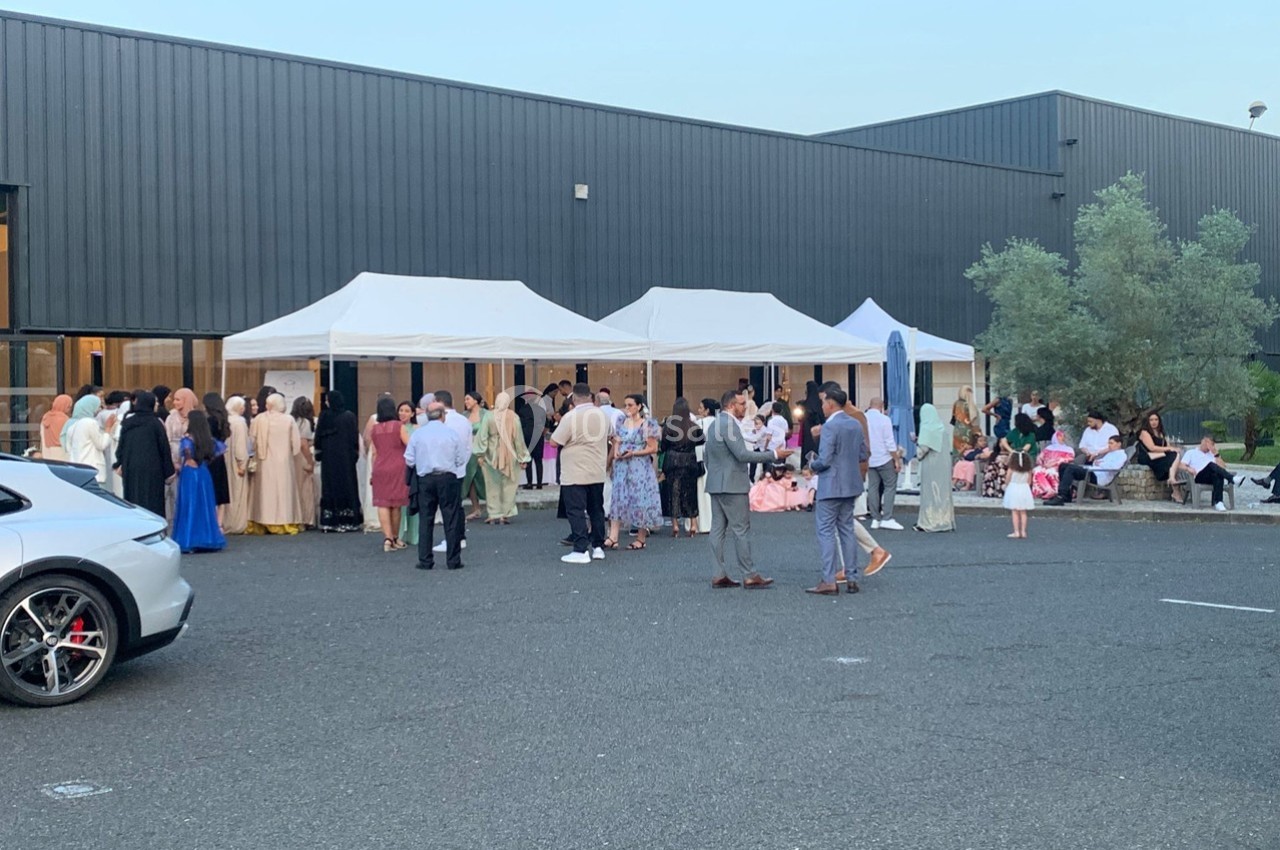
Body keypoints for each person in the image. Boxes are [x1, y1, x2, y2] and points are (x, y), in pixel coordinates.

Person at [705, 388, 789, 589]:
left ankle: (718, 573)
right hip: (733, 484)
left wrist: (716, 475)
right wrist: (774, 455)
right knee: (741, 529)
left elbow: (708, 455)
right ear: (731, 405)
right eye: (742, 404)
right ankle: (749, 574)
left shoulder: (714, 424)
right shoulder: (729, 425)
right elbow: (742, 454)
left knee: (717, 530)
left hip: (716, 482)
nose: (746, 407)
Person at [806, 387, 867, 596]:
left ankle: (829, 579)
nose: (822, 406)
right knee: (847, 530)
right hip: (851, 483)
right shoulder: (855, 424)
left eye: (824, 403)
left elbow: (825, 459)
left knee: (825, 531)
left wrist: (812, 464)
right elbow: (862, 454)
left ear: (831, 404)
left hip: (831, 485)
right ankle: (852, 576)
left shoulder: (830, 427)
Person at [550, 383, 610, 564]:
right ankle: (598, 547)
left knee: (575, 510)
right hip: (597, 469)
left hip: (575, 471)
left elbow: (554, 442)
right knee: (596, 509)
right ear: (591, 397)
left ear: (574, 398)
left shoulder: (570, 417)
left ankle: (580, 548)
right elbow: (611, 435)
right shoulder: (603, 415)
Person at [405, 402, 469, 570]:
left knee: (426, 519)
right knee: (451, 517)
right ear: (443, 415)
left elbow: (409, 459)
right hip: (447, 477)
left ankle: (425, 560)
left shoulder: (418, 434)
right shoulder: (451, 434)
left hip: (425, 478)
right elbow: (461, 458)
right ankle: (453, 560)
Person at [606, 393, 663, 551]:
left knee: (640, 500)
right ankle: (613, 537)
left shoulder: (647, 424)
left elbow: (653, 448)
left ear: (639, 406)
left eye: (630, 405)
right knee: (618, 498)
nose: (627, 408)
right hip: (622, 466)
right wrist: (616, 452)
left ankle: (641, 537)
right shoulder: (621, 421)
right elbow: (616, 440)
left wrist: (634, 453)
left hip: (639, 466)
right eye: (626, 405)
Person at [247, 393, 303, 534]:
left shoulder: (259, 419)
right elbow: (296, 444)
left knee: (265, 492)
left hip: (264, 461)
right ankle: (284, 520)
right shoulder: (288, 420)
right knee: (283, 491)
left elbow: (252, 441)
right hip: (284, 461)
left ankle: (264, 520)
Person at [172, 410, 227, 553]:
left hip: (190, 473)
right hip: (204, 473)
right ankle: (207, 537)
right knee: (205, 505)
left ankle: (189, 539)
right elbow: (218, 451)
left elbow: (188, 456)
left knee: (189, 505)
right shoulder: (208, 439)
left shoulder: (187, 439)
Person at [114, 390, 174, 517]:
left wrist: (119, 463)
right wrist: (169, 471)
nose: (157, 405)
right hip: (153, 470)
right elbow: (164, 448)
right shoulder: (155, 423)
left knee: (134, 499)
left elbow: (121, 447)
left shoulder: (128, 423)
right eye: (155, 402)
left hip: (132, 469)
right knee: (153, 501)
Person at [476, 391, 531, 524]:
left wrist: (480, 454)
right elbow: (518, 439)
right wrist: (523, 457)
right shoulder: (514, 417)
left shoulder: (489, 416)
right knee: (509, 485)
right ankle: (505, 513)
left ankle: (494, 513)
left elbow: (482, 436)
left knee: (491, 485)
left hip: (491, 455)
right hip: (510, 454)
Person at [364, 395, 411, 551]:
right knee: (396, 505)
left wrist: (372, 472)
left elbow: (375, 452)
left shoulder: (375, 429)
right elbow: (410, 445)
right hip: (398, 467)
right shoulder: (399, 426)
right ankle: (396, 538)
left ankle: (387, 538)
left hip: (380, 467)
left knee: (382, 503)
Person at [430, 390, 473, 554]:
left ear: (439, 402)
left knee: (446, 507)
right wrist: (462, 464)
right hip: (459, 469)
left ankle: (451, 539)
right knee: (457, 505)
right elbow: (468, 447)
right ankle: (460, 537)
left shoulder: (440, 422)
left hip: (442, 469)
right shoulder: (464, 420)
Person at [313, 390, 362, 532]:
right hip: (346, 459)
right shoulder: (349, 416)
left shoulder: (325, 416)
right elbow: (354, 438)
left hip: (329, 459)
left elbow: (319, 438)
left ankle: (331, 520)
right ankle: (349, 520)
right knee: (347, 486)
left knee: (330, 487)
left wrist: (319, 454)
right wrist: (355, 455)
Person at [660, 398, 705, 536]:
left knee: (673, 493)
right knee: (690, 492)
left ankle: (675, 525)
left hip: (673, 461)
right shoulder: (693, 426)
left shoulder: (669, 426)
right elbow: (701, 440)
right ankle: (692, 524)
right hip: (690, 461)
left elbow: (663, 445)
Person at [1045, 434, 1127, 505]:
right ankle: (1067, 495)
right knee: (1063, 466)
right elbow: (1097, 463)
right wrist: (1098, 463)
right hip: (1093, 471)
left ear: (1119, 444)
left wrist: (1100, 463)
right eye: (1108, 443)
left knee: (1070, 468)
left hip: (1098, 476)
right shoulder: (1110, 454)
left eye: (1111, 443)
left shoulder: (1121, 455)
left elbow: (1114, 467)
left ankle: (1061, 496)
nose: (1109, 445)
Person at [914, 403, 956, 532]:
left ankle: (930, 522)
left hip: (931, 465)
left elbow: (923, 451)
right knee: (943, 492)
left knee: (930, 493)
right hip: (943, 464)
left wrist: (916, 444)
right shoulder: (941, 429)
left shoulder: (926, 428)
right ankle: (945, 521)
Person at [1177, 436, 1246, 511]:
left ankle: (1219, 502)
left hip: (1211, 477)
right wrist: (1188, 468)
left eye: (1211, 444)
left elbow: (1222, 468)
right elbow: (1180, 465)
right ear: (1203, 442)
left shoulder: (1212, 454)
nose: (1208, 446)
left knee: (1218, 474)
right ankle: (1233, 479)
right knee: (1210, 465)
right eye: (1207, 443)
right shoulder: (1191, 452)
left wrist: (1216, 454)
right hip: (1199, 476)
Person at [863, 398, 902, 530]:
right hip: (884, 458)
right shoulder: (885, 420)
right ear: (882, 406)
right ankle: (887, 517)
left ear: (870, 405)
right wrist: (896, 459)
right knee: (890, 486)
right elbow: (889, 442)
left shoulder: (863, 418)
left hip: (870, 458)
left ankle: (875, 518)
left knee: (873, 487)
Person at [63, 394, 116, 483]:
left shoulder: (73, 426)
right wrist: (108, 428)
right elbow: (102, 444)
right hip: (93, 472)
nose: (99, 410)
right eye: (98, 407)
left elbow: (68, 448)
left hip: (77, 470)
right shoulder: (90, 423)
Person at [1135, 411, 1183, 503]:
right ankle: (1174, 486)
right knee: (1174, 458)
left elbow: (1167, 446)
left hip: (1159, 456)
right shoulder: (1144, 432)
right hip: (1148, 457)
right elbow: (1152, 448)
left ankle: (1175, 489)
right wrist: (1170, 449)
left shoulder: (1161, 433)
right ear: (1147, 421)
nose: (1154, 422)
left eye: (1156, 419)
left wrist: (1171, 448)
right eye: (1151, 420)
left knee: (1175, 461)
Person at [203, 392, 232, 529]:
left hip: (209, 458)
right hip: (220, 458)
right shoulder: (224, 421)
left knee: (211, 491)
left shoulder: (209, 421)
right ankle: (219, 524)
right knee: (220, 492)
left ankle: (212, 523)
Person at [223, 396, 251, 534]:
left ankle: (225, 522)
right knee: (237, 492)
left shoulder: (225, 419)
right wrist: (242, 464)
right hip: (235, 462)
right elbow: (241, 447)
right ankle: (236, 524)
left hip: (224, 459)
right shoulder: (240, 422)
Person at [462, 391, 489, 521]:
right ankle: (475, 507)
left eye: (468, 399)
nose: (465, 402)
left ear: (476, 400)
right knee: (470, 478)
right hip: (468, 450)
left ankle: (493, 507)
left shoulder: (486, 415)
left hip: (483, 450)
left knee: (485, 478)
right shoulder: (464, 416)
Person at [396, 401, 421, 545]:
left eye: (406, 411)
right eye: (401, 410)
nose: (403, 413)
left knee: (414, 499)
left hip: (413, 466)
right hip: (399, 466)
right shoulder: (396, 427)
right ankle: (399, 534)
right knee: (400, 502)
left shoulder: (417, 429)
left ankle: (413, 535)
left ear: (412, 414)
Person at [291, 396, 318, 527]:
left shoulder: (291, 420)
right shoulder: (305, 423)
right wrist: (310, 461)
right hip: (302, 456)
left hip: (291, 456)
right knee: (305, 488)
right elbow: (303, 444)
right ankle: (305, 518)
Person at [693, 398, 719, 533]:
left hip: (700, 458)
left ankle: (700, 523)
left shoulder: (699, 423)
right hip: (716, 460)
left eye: (701, 407)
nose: (698, 410)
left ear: (707, 410)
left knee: (700, 491)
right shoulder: (720, 423)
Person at [1031, 430, 1075, 500]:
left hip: (1058, 467)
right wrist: (1040, 460)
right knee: (1037, 471)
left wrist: (1054, 463)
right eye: (1059, 436)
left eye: (1062, 436)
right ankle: (1048, 490)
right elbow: (1040, 457)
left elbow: (1069, 459)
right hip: (1045, 466)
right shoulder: (1048, 448)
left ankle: (1054, 491)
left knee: (1051, 472)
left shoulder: (1069, 449)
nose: (1061, 438)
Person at [1003, 449, 1034, 539]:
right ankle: (1023, 532)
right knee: (1023, 512)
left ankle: (1016, 532)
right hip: (1024, 489)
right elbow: (1029, 481)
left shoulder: (1011, 469)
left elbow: (1007, 480)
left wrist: (1008, 484)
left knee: (1015, 512)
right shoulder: (1028, 470)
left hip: (1013, 488)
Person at [520, 389, 547, 490]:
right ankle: (539, 483)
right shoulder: (541, 410)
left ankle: (529, 483)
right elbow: (546, 425)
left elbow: (520, 425)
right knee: (539, 461)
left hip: (527, 436)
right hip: (538, 436)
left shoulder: (523, 410)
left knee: (529, 461)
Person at [39, 394, 73, 461]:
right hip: (62, 453)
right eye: (68, 407)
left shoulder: (46, 417)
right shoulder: (65, 419)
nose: (69, 409)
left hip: (47, 452)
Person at [800, 380, 824, 462]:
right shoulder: (820, 403)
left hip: (807, 429)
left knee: (807, 446)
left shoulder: (805, 403)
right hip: (818, 429)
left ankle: (806, 464)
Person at [951, 385, 978, 453]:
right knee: (968, 452)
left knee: (958, 452)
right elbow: (974, 420)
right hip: (968, 431)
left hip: (958, 431)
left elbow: (953, 418)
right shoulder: (969, 404)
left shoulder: (956, 403)